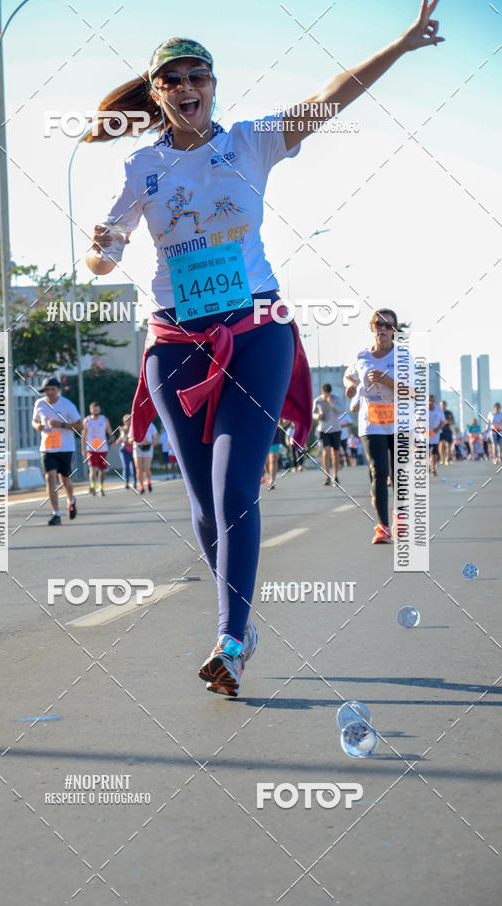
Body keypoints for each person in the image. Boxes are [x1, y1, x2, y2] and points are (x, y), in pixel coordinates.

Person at [86, 8, 444, 695]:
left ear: (213, 85)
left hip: (256, 331)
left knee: (233, 489)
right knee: (200, 501)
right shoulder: (141, 164)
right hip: (175, 343)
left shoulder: (251, 143)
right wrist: (102, 249)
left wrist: (400, 43)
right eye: (172, 79)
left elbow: (330, 99)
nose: (186, 86)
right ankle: (241, 624)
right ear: (156, 93)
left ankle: (228, 637)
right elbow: (109, 247)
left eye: (197, 75)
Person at [344, 309, 404, 544]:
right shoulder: (361, 356)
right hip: (372, 423)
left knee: (399, 475)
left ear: (395, 330)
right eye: (379, 324)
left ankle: (399, 518)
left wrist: (386, 380)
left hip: (399, 423)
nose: (383, 328)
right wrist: (350, 386)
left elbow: (413, 392)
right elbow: (349, 376)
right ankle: (382, 528)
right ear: (372, 327)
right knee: (379, 472)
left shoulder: (404, 357)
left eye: (389, 325)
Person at [31, 377, 82, 525]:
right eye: (47, 390)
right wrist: (37, 426)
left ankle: (71, 500)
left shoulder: (67, 405)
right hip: (47, 448)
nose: (50, 392)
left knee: (65, 480)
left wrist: (61, 424)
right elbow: (34, 421)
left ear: (58, 390)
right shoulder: (39, 404)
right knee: (50, 478)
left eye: (52, 389)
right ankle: (56, 514)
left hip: (65, 447)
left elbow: (80, 425)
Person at [313, 383, 345, 487]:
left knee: (335, 453)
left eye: (328, 393)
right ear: (322, 392)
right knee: (325, 452)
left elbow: (342, 411)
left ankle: (335, 476)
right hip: (323, 430)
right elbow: (312, 414)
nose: (327, 395)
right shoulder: (317, 401)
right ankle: (327, 476)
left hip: (335, 429)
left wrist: (331, 403)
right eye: (325, 393)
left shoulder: (336, 398)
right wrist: (317, 416)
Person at [81, 401, 114, 496]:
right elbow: (83, 435)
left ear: (99, 409)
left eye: (97, 409)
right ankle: (92, 486)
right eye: (94, 409)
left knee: (102, 470)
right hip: (91, 449)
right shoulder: (87, 420)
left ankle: (101, 487)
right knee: (93, 469)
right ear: (90, 410)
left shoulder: (104, 419)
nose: (96, 410)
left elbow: (109, 431)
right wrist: (83, 449)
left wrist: (113, 439)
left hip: (102, 449)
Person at [132, 422, 158, 494]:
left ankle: (148, 481)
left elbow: (155, 435)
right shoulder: (134, 424)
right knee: (139, 469)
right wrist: (136, 440)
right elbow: (129, 438)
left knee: (146, 468)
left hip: (148, 447)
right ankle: (141, 486)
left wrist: (154, 441)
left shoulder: (150, 424)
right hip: (137, 448)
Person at [428, 395, 446, 476]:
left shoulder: (438, 409)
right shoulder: (421, 409)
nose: (430, 403)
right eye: (428, 401)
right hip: (424, 432)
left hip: (435, 432)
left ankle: (433, 467)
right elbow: (416, 421)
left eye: (432, 401)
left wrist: (438, 429)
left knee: (434, 451)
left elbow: (442, 421)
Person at [118, 413, 135, 488]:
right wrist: (115, 443)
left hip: (133, 449)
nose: (128, 421)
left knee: (134, 467)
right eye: (126, 420)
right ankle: (126, 482)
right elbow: (123, 439)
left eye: (129, 420)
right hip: (124, 450)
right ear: (124, 422)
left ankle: (135, 482)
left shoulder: (134, 428)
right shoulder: (122, 429)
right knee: (126, 466)